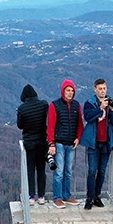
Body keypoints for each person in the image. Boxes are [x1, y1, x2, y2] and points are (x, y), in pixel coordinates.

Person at [79, 78, 113, 209]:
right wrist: (100, 108)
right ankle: (89, 197)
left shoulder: (111, 103)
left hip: (106, 143)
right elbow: (88, 118)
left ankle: (97, 196)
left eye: (104, 88)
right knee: (92, 171)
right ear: (95, 89)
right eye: (100, 88)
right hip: (93, 142)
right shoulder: (90, 103)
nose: (102, 91)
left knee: (102, 171)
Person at [46, 79, 83, 207]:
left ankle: (67, 196)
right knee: (59, 171)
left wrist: (78, 138)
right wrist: (51, 143)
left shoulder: (76, 105)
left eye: (72, 91)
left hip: (71, 143)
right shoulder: (54, 105)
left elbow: (79, 124)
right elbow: (50, 126)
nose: (70, 93)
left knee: (68, 171)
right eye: (68, 90)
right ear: (63, 91)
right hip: (59, 143)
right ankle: (57, 197)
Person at [17, 84, 50, 206]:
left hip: (29, 142)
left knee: (30, 170)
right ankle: (41, 196)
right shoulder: (43, 105)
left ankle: (31, 196)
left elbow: (20, 125)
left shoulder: (22, 108)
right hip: (42, 141)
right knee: (41, 169)